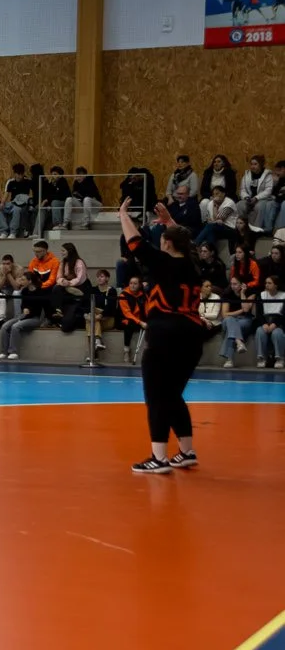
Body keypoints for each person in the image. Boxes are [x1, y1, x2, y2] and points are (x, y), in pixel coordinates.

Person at [120, 198, 207, 473]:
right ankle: (187, 451)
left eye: (163, 237)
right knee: (172, 395)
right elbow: (187, 244)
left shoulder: (163, 263)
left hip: (165, 334)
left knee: (157, 396)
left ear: (167, 244)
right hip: (192, 336)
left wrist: (122, 214)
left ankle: (158, 457)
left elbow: (134, 242)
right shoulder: (194, 267)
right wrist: (170, 223)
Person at [55, 242, 90, 334]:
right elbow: (58, 277)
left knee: (67, 325)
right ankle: (58, 309)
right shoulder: (63, 262)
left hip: (80, 287)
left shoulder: (79, 262)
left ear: (69, 251)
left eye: (63, 251)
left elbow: (81, 278)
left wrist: (69, 283)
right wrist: (63, 281)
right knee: (56, 288)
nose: (61, 252)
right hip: (66, 287)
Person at [254, 274, 285, 369]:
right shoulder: (261, 295)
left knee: (277, 333)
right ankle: (261, 358)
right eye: (266, 283)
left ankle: (280, 359)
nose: (266, 285)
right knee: (259, 331)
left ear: (276, 285)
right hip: (265, 321)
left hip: (279, 322)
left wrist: (275, 324)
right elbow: (259, 313)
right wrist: (264, 324)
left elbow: (284, 315)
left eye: (269, 283)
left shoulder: (283, 295)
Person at [118, 275, 146, 365]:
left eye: (135, 283)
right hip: (124, 319)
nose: (133, 285)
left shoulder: (143, 295)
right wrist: (140, 322)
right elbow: (127, 313)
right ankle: (126, 350)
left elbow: (147, 309)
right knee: (129, 323)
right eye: (131, 283)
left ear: (140, 285)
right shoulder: (123, 295)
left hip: (139, 320)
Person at [65, 166, 102, 230]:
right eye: (76, 176)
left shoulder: (90, 181)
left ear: (85, 175)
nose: (77, 178)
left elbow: (92, 195)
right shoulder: (76, 183)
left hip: (95, 204)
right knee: (69, 199)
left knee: (86, 199)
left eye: (79, 176)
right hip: (83, 204)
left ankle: (87, 223)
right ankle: (66, 222)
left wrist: (80, 195)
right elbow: (73, 193)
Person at [2, 164, 35, 237]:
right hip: (13, 202)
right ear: (14, 174)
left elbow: (33, 193)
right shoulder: (11, 183)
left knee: (19, 209)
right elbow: (6, 194)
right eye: (16, 174)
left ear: (23, 174)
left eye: (20, 174)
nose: (18, 176)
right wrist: (2, 203)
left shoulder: (28, 182)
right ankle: (3, 232)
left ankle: (14, 232)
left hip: (23, 202)